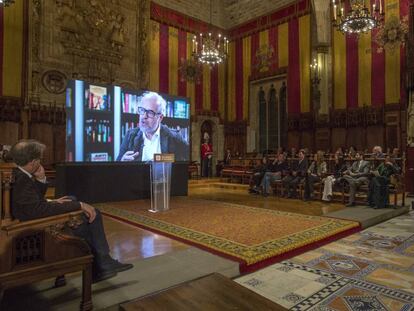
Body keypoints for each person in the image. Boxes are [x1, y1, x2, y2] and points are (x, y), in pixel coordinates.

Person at [10, 139, 133, 283]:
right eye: (39, 159)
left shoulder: (18, 173)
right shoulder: (22, 179)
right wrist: (79, 205)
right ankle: (101, 263)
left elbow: (33, 203)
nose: (40, 162)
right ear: (33, 162)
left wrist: (42, 180)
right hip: (33, 230)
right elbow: (37, 210)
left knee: (72, 200)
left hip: (32, 218)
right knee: (88, 215)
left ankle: (102, 262)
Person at [117, 91, 189, 162]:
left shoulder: (174, 137)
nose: (144, 116)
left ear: (160, 117)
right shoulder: (130, 135)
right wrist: (122, 162)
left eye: (150, 113)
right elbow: (116, 167)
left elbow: (188, 160)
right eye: (142, 110)